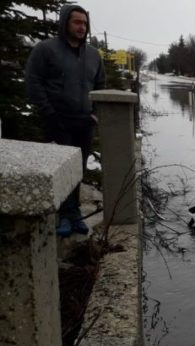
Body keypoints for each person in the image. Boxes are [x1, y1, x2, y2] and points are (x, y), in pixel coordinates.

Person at [26, 4, 105, 237]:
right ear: (65, 23)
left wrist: (95, 113)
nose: (82, 27)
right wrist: (49, 113)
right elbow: (33, 82)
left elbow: (100, 85)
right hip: (57, 121)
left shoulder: (93, 55)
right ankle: (64, 216)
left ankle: (75, 213)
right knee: (61, 171)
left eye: (84, 23)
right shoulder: (46, 50)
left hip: (84, 122)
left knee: (78, 170)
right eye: (77, 22)